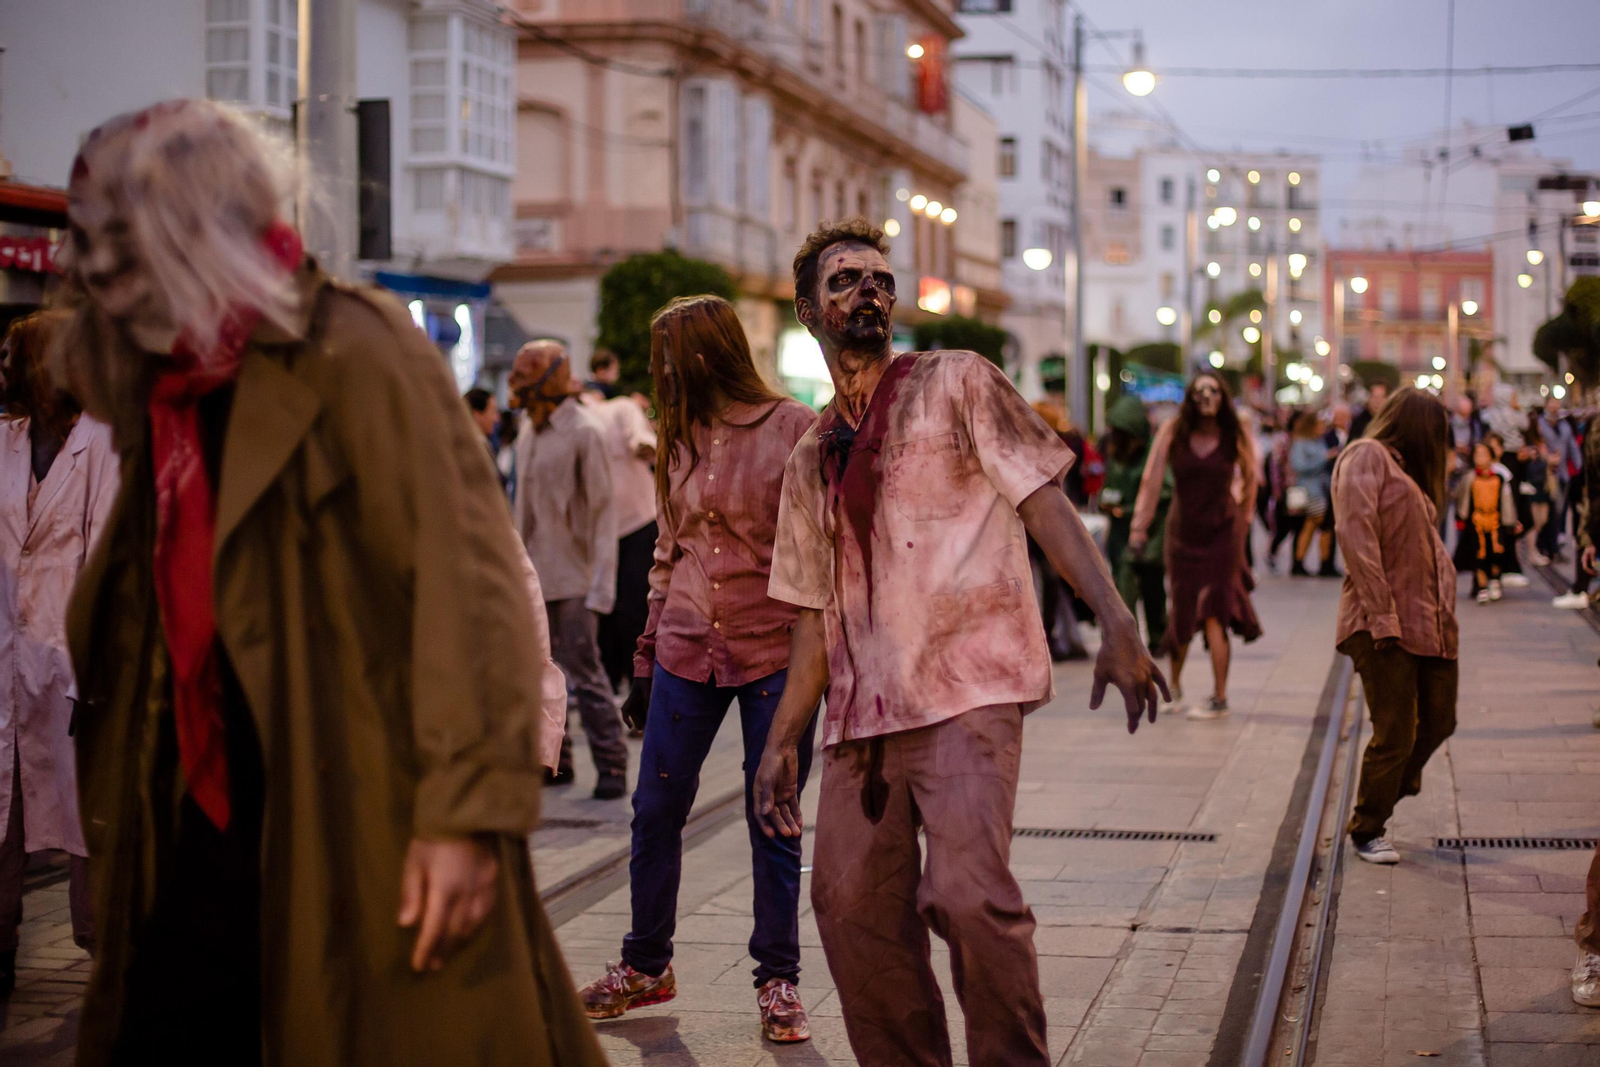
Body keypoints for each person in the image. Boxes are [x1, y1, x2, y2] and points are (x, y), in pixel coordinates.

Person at [52, 100, 604, 1067]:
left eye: (115, 241)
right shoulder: (166, 378)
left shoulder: (356, 345)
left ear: (185, 231)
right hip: (194, 807)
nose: (89, 268)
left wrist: (467, 816)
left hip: (355, 806)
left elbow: (471, 582)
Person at [751, 219, 1167, 1067]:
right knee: (848, 908)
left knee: (970, 897)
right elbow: (813, 616)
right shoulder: (808, 458)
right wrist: (781, 739)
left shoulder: (958, 381)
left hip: (970, 692)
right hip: (861, 724)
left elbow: (1043, 501)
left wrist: (1116, 619)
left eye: (880, 279)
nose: (869, 291)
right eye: (845, 281)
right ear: (808, 311)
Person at [576, 295, 819, 1041]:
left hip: (774, 649)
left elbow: (821, 556)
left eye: (669, 359)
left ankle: (778, 980)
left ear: (706, 354)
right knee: (654, 810)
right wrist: (644, 660)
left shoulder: (792, 429)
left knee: (773, 812)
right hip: (685, 647)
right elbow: (667, 553)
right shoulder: (676, 437)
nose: (662, 374)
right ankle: (646, 964)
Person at [0, 311, 117, 992]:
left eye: (12, 354)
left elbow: (106, 555)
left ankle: (105, 962)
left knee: (88, 826)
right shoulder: (5, 441)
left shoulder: (104, 443)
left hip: (75, 666)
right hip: (8, 659)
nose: (2, 366)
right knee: (5, 812)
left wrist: (96, 668)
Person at [1331, 386, 1457, 867]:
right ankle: (1368, 827)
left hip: (1429, 624)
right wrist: (1382, 615)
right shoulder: (1367, 455)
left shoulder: (1409, 474)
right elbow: (1355, 534)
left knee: (1441, 719)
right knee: (1396, 733)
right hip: (1380, 623)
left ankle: (1388, 786)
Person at [510, 340, 629, 798]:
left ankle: (612, 762)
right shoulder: (529, 431)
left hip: (577, 576)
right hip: (536, 577)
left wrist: (602, 587)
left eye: (527, 376)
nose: (517, 387)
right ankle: (555, 760)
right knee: (539, 673)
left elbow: (603, 515)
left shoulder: (586, 431)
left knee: (584, 671)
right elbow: (522, 511)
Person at [1131, 373, 1262, 721]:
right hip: (1183, 533)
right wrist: (1139, 528)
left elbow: (1252, 476)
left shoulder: (1234, 431)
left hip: (1223, 532)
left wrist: (1244, 518)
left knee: (1216, 610)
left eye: (1214, 390)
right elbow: (1151, 479)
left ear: (1222, 396)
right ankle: (1174, 688)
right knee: (1183, 608)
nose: (1207, 396)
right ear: (1190, 397)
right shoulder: (1173, 431)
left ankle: (1220, 697)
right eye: (1200, 390)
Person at [583, 390, 659, 695]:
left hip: (637, 524)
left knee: (633, 606)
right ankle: (613, 683)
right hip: (604, 530)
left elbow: (639, 437)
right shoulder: (576, 418)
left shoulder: (620, 408)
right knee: (607, 608)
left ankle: (637, 681)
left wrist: (644, 445)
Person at [1101, 393, 1169, 652]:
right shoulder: (1116, 453)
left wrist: (1130, 510)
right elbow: (1110, 485)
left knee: (1153, 589)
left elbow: (1165, 491)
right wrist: (1108, 503)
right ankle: (1129, 644)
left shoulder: (1152, 453)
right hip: (1121, 536)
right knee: (1124, 588)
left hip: (1150, 534)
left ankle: (1158, 638)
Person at [1454, 441, 1516, 604]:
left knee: (1496, 553)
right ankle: (1481, 587)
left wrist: (1510, 520)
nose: (1480, 459)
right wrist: (1461, 516)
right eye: (1477, 455)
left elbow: (1507, 500)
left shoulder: (1499, 478)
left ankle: (1495, 580)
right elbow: (1463, 498)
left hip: (1495, 521)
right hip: (1476, 521)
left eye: (1484, 455)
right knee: (1478, 555)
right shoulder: (1470, 477)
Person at [1290, 411, 1335, 577]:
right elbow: (1299, 466)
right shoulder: (1301, 443)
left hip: (1321, 489)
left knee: (1311, 525)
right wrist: (1324, 458)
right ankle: (1320, 562)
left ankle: (1303, 561)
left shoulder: (1319, 441)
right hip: (1309, 490)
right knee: (1322, 524)